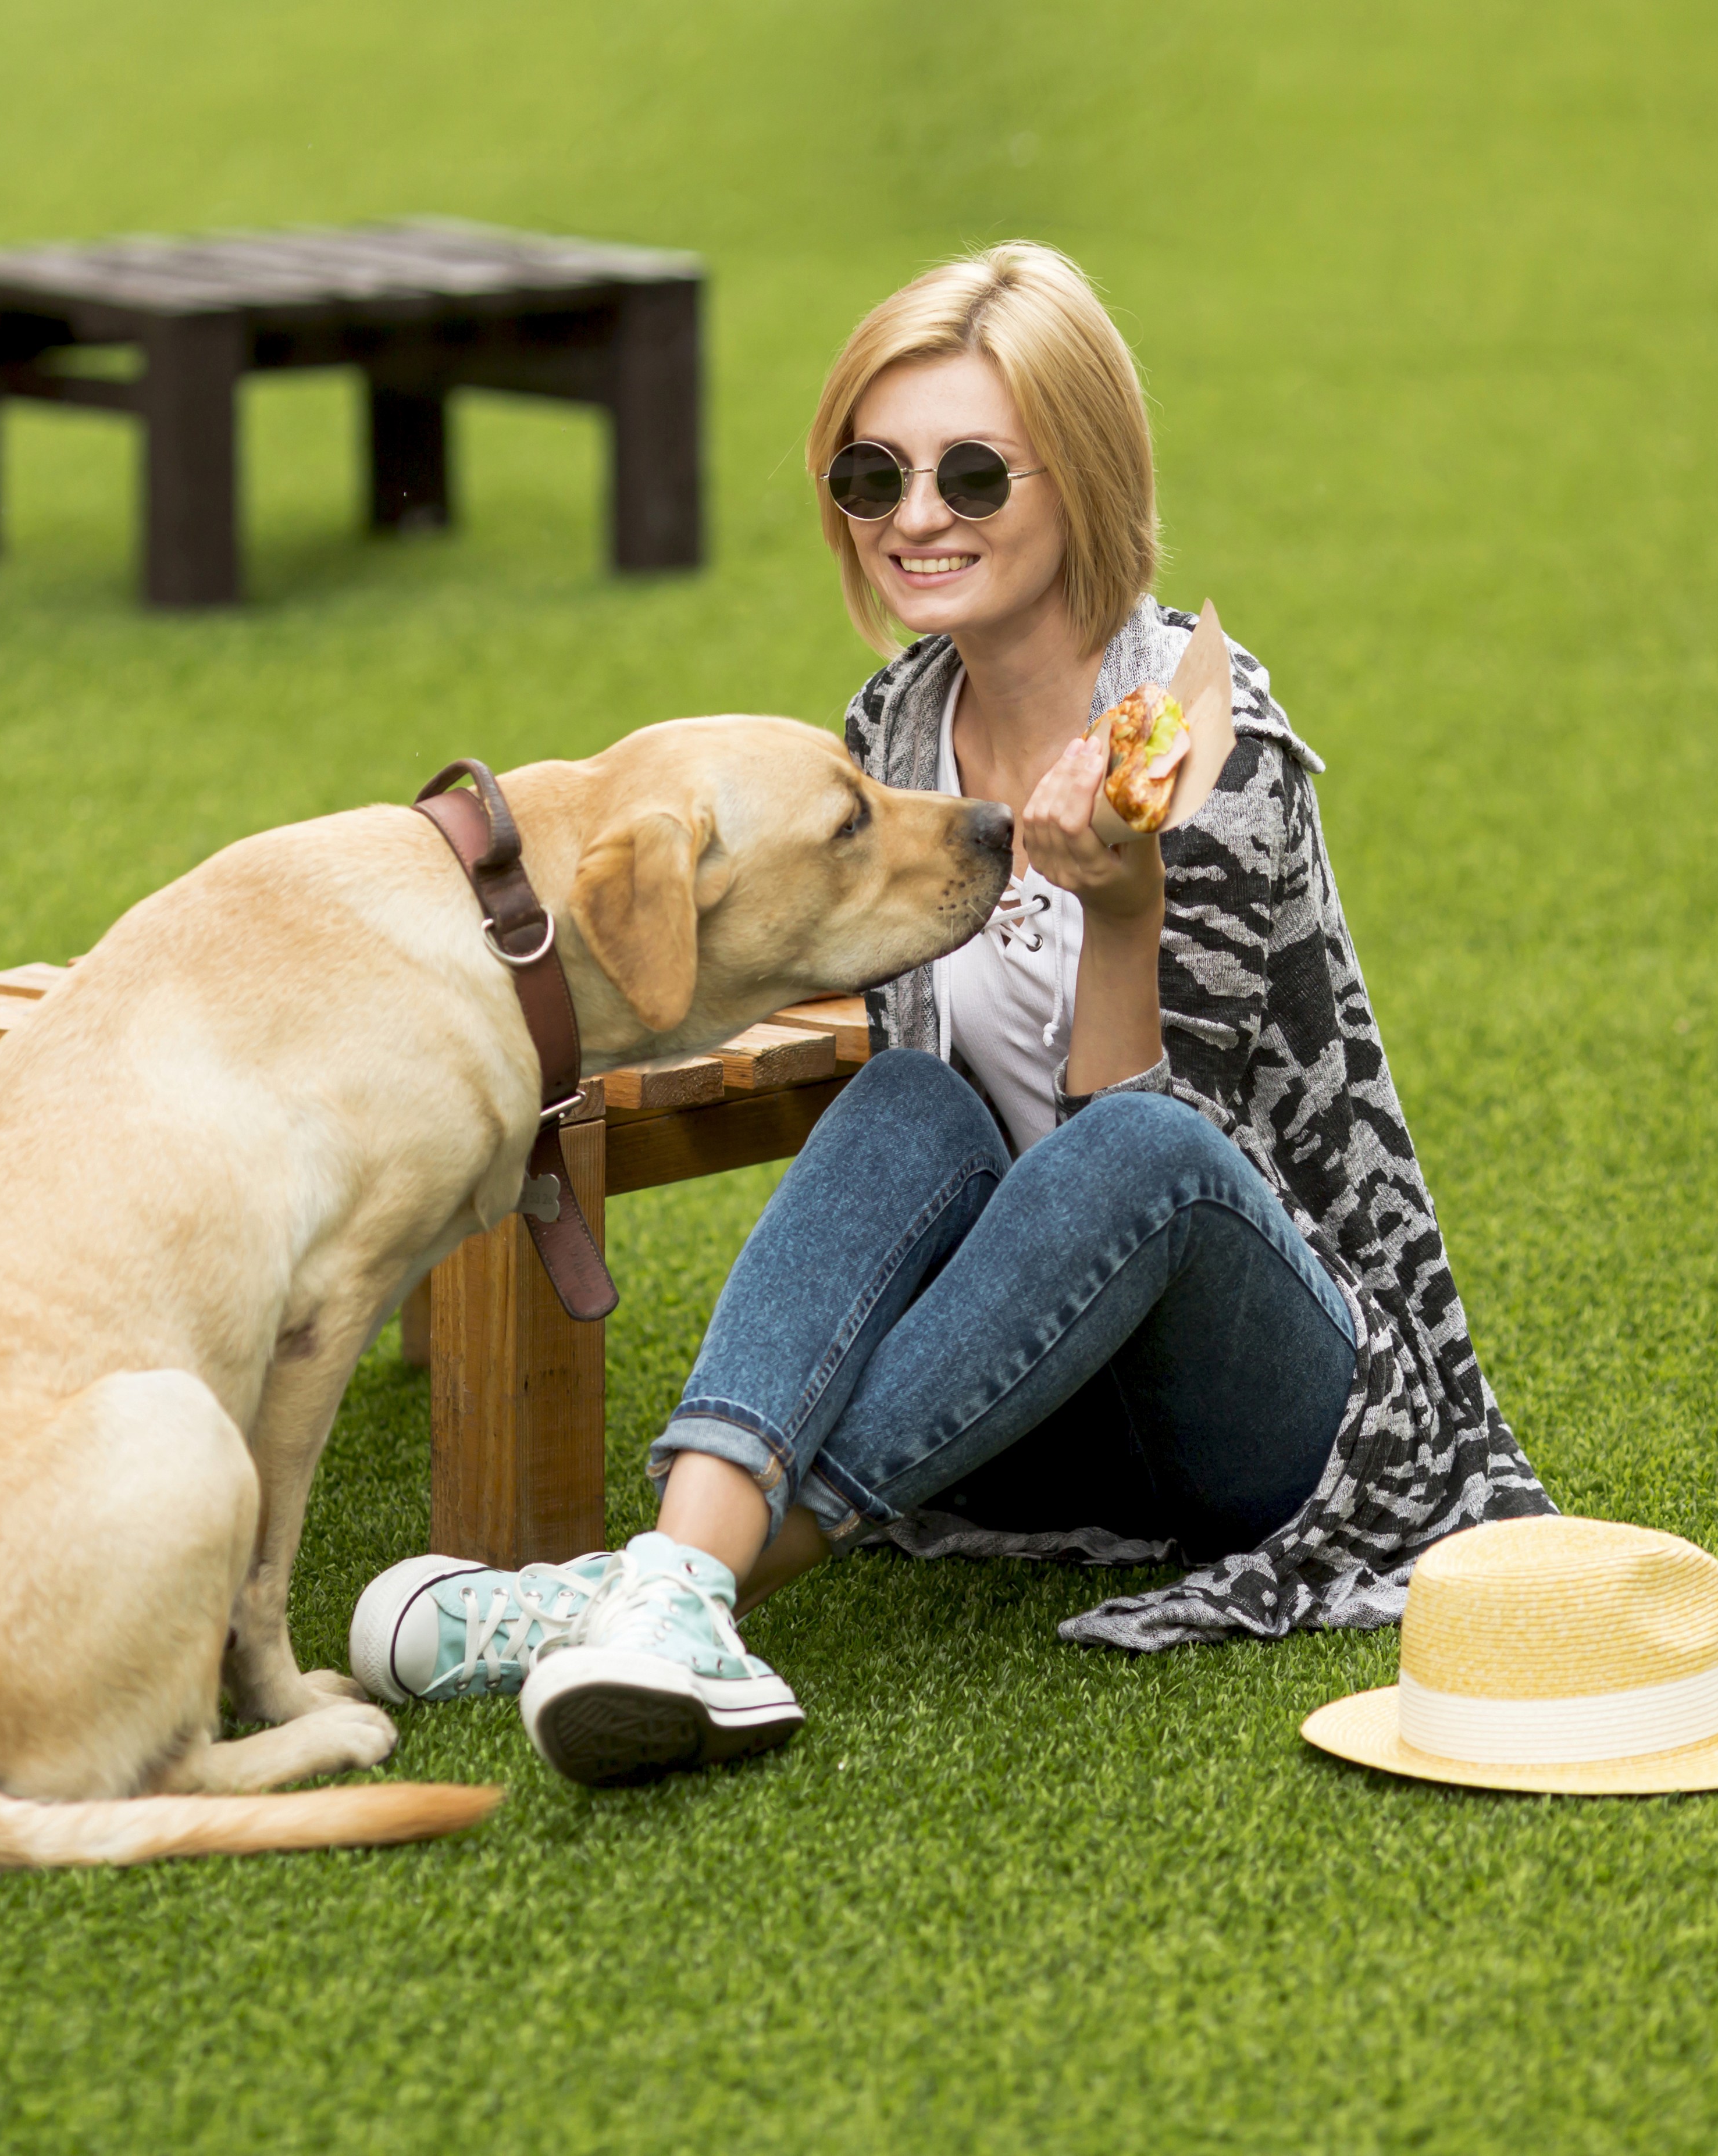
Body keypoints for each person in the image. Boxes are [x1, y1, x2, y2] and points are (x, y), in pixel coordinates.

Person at [350, 241, 1552, 1787]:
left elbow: (1166, 1178)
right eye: (876, 472)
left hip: (1261, 1400)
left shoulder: (1210, 748)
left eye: (975, 474)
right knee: (908, 1101)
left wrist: (1122, 906)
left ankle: (649, 1591)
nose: (917, 516)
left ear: (1084, 478)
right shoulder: (896, 727)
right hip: (1013, 1386)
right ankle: (665, 1593)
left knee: (1125, 1157)